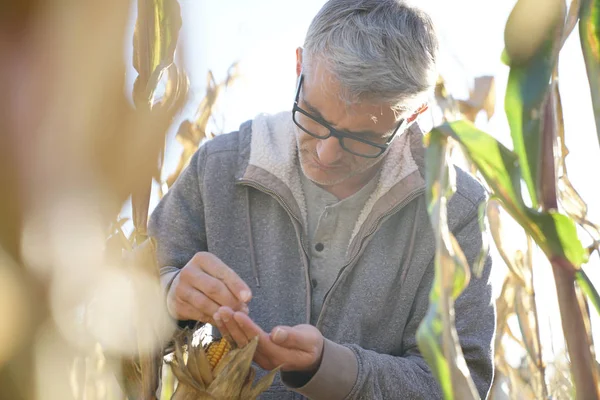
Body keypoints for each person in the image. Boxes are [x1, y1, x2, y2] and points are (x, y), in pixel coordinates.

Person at [149, 0, 495, 398]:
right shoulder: (217, 169)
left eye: (362, 138)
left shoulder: (457, 213)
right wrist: (170, 297)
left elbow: (460, 386)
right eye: (313, 116)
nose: (326, 154)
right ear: (300, 66)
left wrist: (328, 368)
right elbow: (107, 314)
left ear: (413, 114)